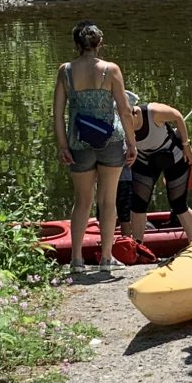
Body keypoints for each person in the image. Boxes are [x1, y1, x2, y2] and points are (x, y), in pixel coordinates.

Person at [52, 20, 139, 275]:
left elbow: (57, 114)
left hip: (79, 142)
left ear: (76, 44)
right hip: (111, 141)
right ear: (99, 43)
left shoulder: (65, 71)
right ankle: (107, 258)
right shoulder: (111, 70)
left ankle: (76, 261)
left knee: (82, 201)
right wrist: (132, 143)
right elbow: (124, 110)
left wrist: (62, 145)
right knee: (108, 201)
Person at [118, 90, 192, 250]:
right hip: (144, 161)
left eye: (124, 117)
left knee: (178, 204)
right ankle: (138, 247)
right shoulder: (119, 127)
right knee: (138, 204)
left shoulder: (153, 112)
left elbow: (177, 116)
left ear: (132, 112)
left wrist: (186, 146)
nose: (122, 123)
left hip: (174, 157)